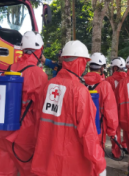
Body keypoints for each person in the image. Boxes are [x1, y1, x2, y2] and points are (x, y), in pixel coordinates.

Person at [31, 41, 107, 176]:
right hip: (71, 164)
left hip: (47, 160)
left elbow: (37, 121)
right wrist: (99, 164)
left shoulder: (48, 86)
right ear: (80, 62)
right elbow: (88, 133)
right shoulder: (80, 91)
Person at [0, 31, 48, 176]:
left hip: (1, 132)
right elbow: (40, 112)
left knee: (3, 172)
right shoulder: (39, 75)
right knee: (29, 171)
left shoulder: (10, 68)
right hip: (23, 134)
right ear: (39, 50)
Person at [84, 53, 118, 150]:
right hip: (98, 127)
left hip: (81, 127)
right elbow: (110, 111)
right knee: (96, 153)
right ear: (102, 68)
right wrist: (112, 132)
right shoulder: (105, 86)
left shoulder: (80, 82)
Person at [105, 57, 129, 158]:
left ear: (114, 68)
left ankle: (117, 151)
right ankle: (126, 146)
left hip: (114, 109)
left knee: (115, 130)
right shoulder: (128, 79)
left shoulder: (109, 80)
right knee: (128, 130)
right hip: (127, 109)